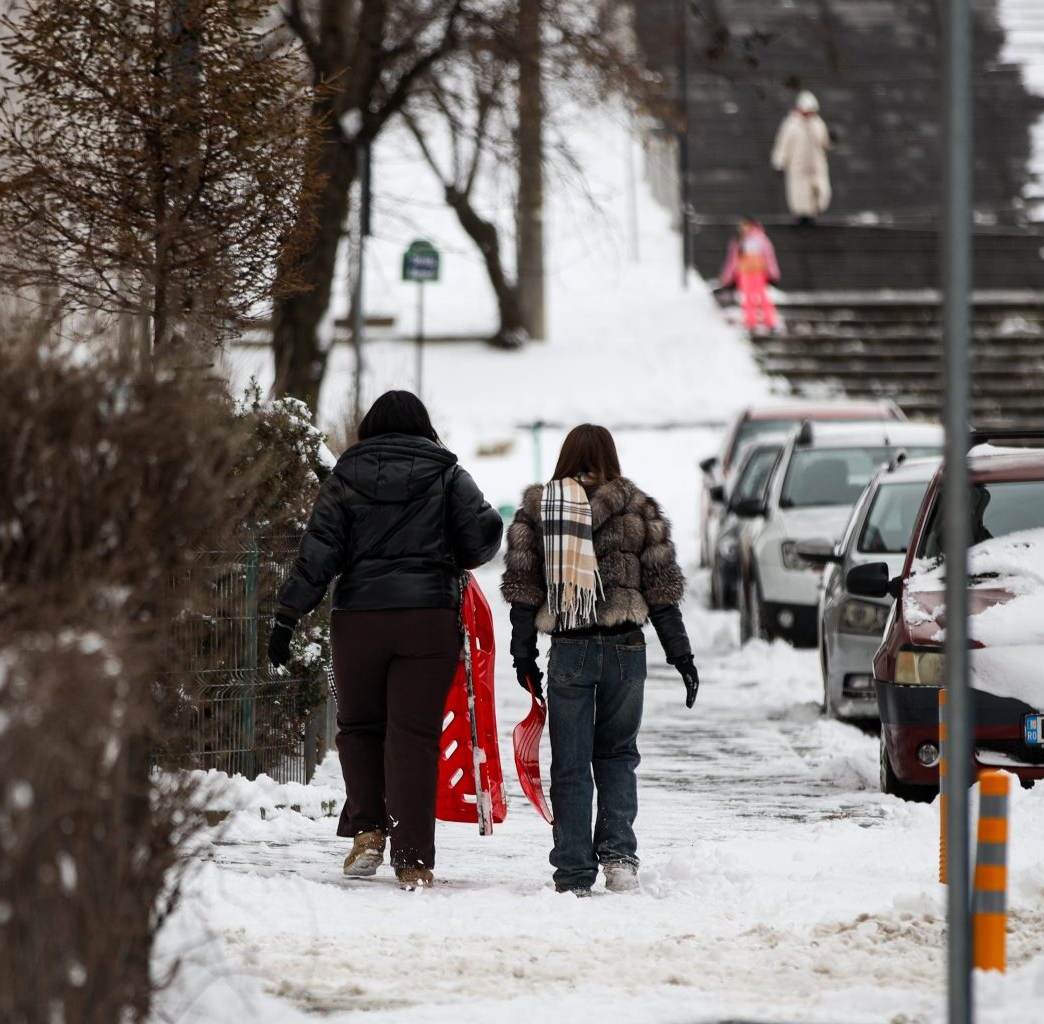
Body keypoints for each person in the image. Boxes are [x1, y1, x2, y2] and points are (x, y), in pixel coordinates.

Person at [268, 390, 503, 891]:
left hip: (359, 620)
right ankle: (413, 859)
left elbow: (319, 552)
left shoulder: (345, 477)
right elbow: (481, 536)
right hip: (428, 620)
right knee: (413, 738)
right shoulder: (448, 474)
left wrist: (289, 614)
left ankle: (369, 832)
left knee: (359, 728)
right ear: (423, 427)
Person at [501, 424, 699, 896]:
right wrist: (682, 655)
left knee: (569, 763)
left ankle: (572, 871)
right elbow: (662, 591)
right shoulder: (639, 509)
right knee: (617, 757)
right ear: (611, 455)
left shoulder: (537, 510)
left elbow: (523, 594)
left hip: (570, 650)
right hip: (626, 649)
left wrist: (522, 654)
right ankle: (619, 858)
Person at [771, 90, 832, 221]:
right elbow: (783, 144)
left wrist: (830, 140)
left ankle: (815, 211)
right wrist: (779, 163)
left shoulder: (818, 124)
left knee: (820, 190)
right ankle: (803, 216)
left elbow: (824, 142)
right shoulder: (791, 125)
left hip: (816, 166)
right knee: (800, 194)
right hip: (798, 167)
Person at [718, 218, 781, 334]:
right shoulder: (738, 240)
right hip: (744, 273)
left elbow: (769, 257)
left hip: (758, 273)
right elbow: (732, 260)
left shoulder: (761, 239)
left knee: (763, 297)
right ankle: (750, 322)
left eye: (746, 225)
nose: (744, 228)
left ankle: (770, 321)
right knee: (747, 298)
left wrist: (773, 272)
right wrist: (727, 276)